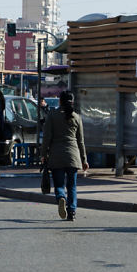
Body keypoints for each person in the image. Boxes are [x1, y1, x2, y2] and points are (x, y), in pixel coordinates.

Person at [42, 91, 88, 222]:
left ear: (60, 101)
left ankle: (61, 197)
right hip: (73, 156)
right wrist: (84, 159)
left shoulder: (52, 115)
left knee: (59, 184)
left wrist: (43, 154)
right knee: (72, 185)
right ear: (72, 103)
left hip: (56, 155)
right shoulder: (77, 117)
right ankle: (72, 211)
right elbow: (81, 141)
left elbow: (46, 138)